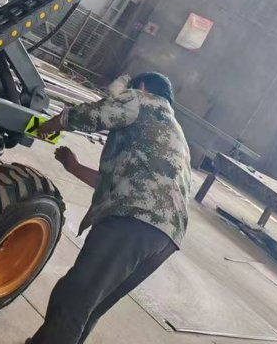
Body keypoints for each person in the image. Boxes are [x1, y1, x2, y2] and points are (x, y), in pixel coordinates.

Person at [27, 72, 191, 344]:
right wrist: (73, 166)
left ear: (141, 87)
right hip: (164, 237)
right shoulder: (171, 131)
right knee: (88, 309)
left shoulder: (143, 100)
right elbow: (123, 183)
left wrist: (53, 124)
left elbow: (95, 113)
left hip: (133, 221)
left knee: (72, 303)